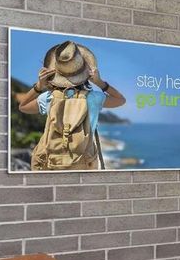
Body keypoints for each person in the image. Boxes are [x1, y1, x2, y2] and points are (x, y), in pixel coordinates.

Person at [19, 40, 126, 170]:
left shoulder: (48, 98)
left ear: (55, 72)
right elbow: (121, 100)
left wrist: (38, 86)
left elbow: (23, 106)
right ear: (84, 73)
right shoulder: (93, 98)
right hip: (83, 164)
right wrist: (100, 83)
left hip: (51, 164)